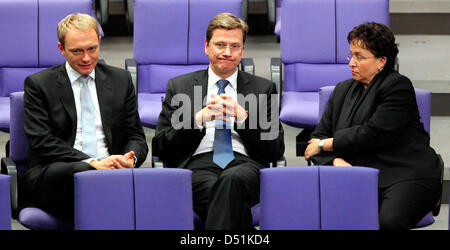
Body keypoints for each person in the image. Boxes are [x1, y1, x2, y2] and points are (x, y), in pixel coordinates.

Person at [304, 22, 442, 230]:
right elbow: (317, 136)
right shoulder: (341, 90)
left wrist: (326, 145)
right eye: (351, 55)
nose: (351, 62)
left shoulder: (398, 86)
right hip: (356, 175)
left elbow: (373, 134)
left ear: (381, 62)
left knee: (388, 222)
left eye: (359, 56)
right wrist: (335, 160)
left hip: (404, 174)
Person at [153, 13, 285, 230]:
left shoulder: (262, 89)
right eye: (220, 45)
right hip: (197, 164)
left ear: (242, 50)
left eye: (234, 46)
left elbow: (275, 149)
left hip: (244, 164)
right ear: (206, 46)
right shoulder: (181, 86)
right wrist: (198, 119)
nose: (227, 52)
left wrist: (243, 117)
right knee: (226, 194)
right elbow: (161, 145)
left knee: (232, 180)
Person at [21, 13, 148, 221]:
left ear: (99, 41)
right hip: (58, 171)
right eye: (77, 51)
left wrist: (129, 159)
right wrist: (92, 163)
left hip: (111, 171)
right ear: (61, 49)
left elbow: (135, 135)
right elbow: (42, 142)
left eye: (92, 48)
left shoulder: (120, 80)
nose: (86, 58)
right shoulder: (39, 84)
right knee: (89, 178)